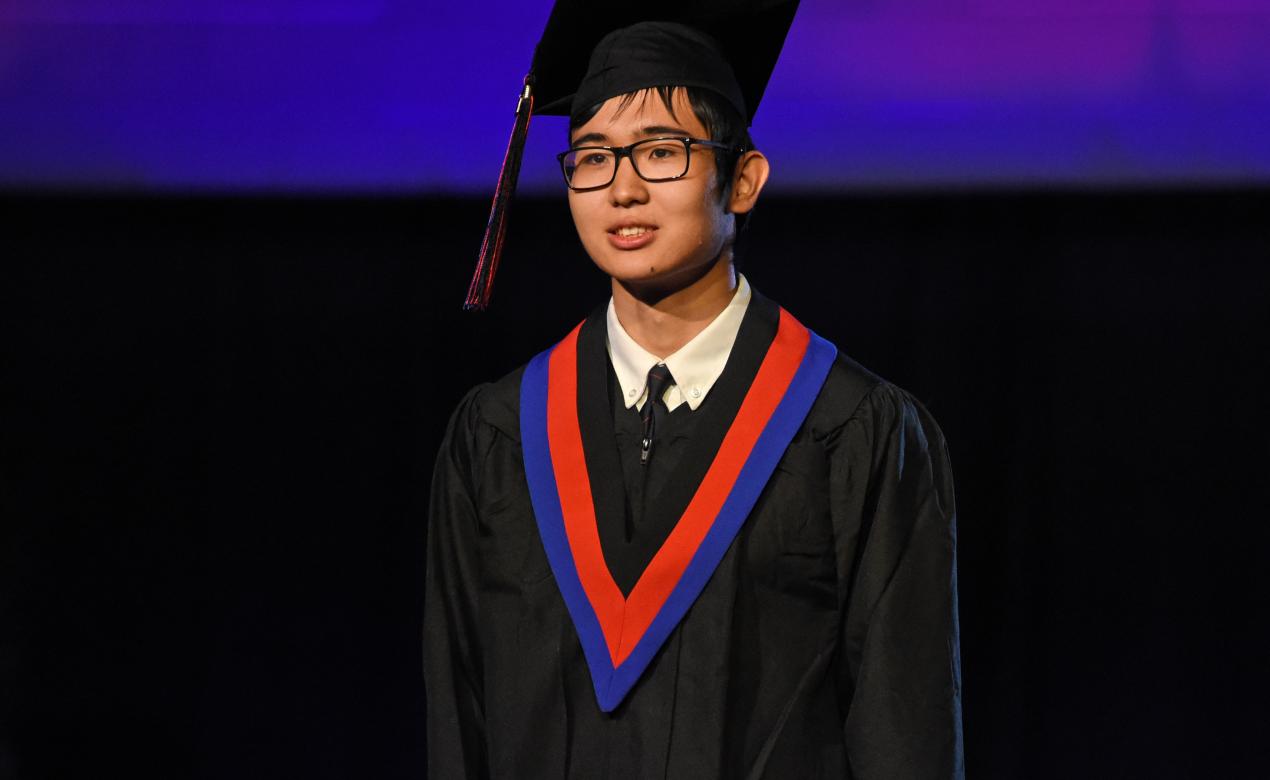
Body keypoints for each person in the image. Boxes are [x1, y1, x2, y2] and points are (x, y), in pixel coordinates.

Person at [425, 3, 963, 777]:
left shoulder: (852, 432)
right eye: (593, 157)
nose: (623, 189)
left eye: (662, 152)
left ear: (743, 179)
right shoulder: (499, 437)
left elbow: (904, 737)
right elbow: (460, 724)